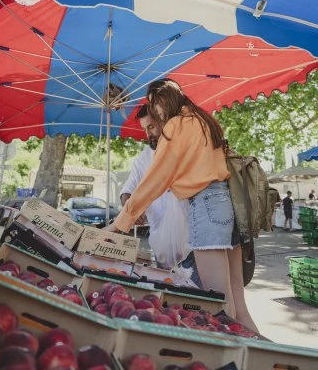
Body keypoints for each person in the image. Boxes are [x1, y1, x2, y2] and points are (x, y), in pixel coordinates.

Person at [105, 79, 258, 331]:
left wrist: (121, 222)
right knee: (239, 309)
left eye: (154, 105)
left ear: (163, 100)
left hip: (205, 206)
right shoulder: (203, 120)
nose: (156, 112)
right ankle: (273, 359)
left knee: (220, 308)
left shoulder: (176, 125)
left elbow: (156, 178)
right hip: (227, 205)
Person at [120, 104, 192, 272]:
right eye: (145, 129)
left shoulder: (183, 150)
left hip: (190, 244)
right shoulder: (143, 158)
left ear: (163, 122)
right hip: (160, 246)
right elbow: (127, 190)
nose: (148, 134)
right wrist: (130, 206)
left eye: (151, 127)